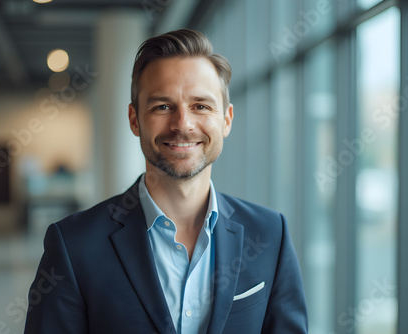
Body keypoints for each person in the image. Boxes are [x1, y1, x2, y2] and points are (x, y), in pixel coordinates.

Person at [24, 29, 307, 334]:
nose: (182, 124)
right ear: (134, 119)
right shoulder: (74, 246)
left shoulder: (269, 235)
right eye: (162, 106)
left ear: (226, 119)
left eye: (201, 105)